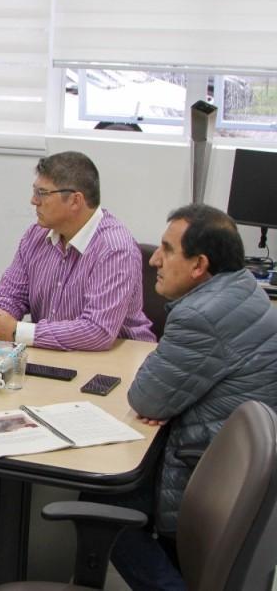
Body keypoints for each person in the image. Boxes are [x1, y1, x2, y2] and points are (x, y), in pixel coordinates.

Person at [101, 204, 277, 590]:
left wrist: (167, 401)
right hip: (230, 462)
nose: (154, 260)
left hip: (204, 467)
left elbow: (146, 398)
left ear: (199, 265)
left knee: (103, 508)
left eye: (166, 249)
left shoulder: (203, 315)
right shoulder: (242, 288)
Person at [0, 151, 154, 350]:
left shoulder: (114, 248)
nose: (33, 200)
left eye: (42, 193)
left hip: (121, 359)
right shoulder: (35, 235)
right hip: (54, 355)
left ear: (75, 201)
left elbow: (97, 331)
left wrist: (16, 331)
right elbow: (11, 293)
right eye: (34, 191)